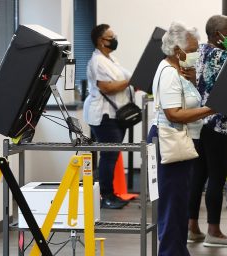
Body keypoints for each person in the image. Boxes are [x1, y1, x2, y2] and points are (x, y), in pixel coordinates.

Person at [146, 22, 214, 256]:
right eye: (193, 49)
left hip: (182, 142)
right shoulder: (168, 74)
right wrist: (210, 109)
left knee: (179, 205)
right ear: (177, 50)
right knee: (172, 206)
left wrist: (193, 79)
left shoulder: (179, 71)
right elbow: (173, 113)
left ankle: (177, 251)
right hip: (170, 142)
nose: (196, 53)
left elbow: (187, 101)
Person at [187, 15, 227, 247]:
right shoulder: (225, 56)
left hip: (199, 124)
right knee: (217, 177)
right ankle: (214, 232)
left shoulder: (199, 54)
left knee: (198, 176)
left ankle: (192, 227)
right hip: (217, 124)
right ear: (218, 35)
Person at [83, 24, 132, 209]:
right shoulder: (97, 62)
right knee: (109, 155)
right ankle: (106, 196)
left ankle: (109, 193)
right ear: (101, 41)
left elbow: (126, 78)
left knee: (112, 154)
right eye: (111, 37)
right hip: (103, 115)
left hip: (116, 115)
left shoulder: (110, 59)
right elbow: (107, 87)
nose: (114, 39)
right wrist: (129, 82)